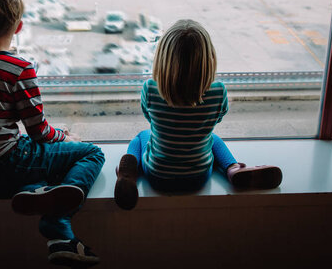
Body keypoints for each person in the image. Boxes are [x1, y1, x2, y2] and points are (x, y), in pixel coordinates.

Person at [0, 0, 104, 266]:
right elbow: (38, 131)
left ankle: (48, 214)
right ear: (18, 27)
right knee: (91, 153)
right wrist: (65, 138)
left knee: (44, 169)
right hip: (7, 165)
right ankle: (57, 221)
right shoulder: (18, 67)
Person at [115, 19, 282, 210]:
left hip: (158, 177)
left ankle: (130, 172)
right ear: (208, 59)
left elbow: (149, 117)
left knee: (141, 137)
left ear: (162, 59)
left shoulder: (150, 89)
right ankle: (233, 168)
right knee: (213, 139)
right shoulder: (218, 92)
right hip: (198, 177)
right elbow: (218, 118)